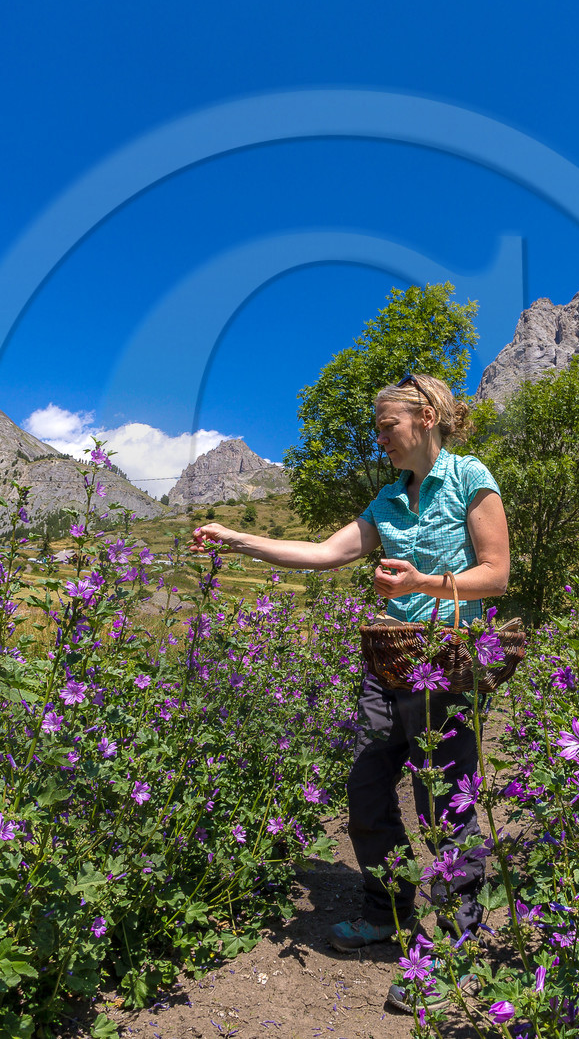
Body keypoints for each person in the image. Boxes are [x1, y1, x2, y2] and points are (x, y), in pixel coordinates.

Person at [188, 371, 509, 1010]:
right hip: (388, 663)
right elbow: (324, 553)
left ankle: (457, 947)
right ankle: (388, 911)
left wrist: (424, 584)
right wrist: (237, 539)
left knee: (444, 803)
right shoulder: (387, 499)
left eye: (386, 426)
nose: (379, 438)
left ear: (425, 418)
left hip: (448, 665)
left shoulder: (472, 478)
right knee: (365, 788)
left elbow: (496, 575)